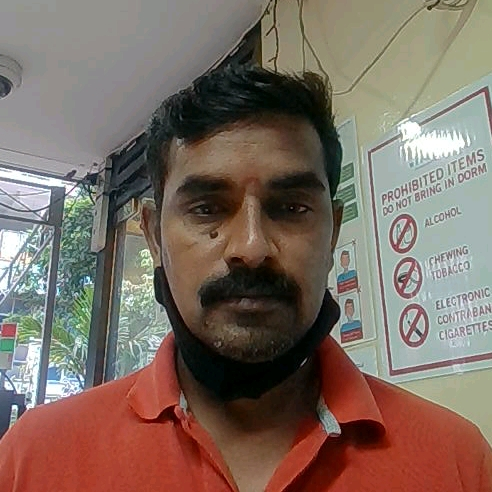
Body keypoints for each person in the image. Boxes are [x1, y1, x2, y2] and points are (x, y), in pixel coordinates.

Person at [0, 64, 491, 492]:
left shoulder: (458, 463)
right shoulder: (33, 459)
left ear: (333, 231)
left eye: (291, 208)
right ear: (152, 235)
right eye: (207, 209)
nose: (252, 248)